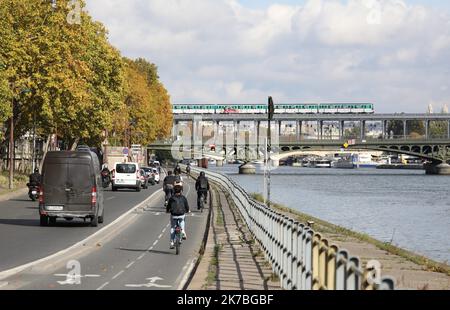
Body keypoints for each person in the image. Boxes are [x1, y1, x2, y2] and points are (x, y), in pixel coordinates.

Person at [166, 180, 190, 249]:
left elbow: (168, 206)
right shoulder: (183, 197)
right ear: (181, 191)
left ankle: (171, 242)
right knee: (182, 221)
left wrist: (167, 211)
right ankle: (182, 231)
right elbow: (186, 206)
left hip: (173, 215)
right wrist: (188, 210)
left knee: (172, 228)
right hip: (181, 214)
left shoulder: (171, 198)